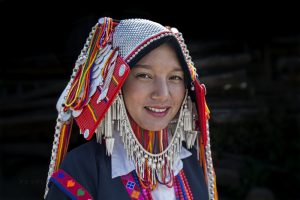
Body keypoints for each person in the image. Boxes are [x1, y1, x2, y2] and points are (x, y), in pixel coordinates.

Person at [44, 17, 218, 200]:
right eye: (144, 75)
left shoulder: (193, 164)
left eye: (175, 77)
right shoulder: (83, 169)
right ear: (117, 86)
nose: (163, 94)